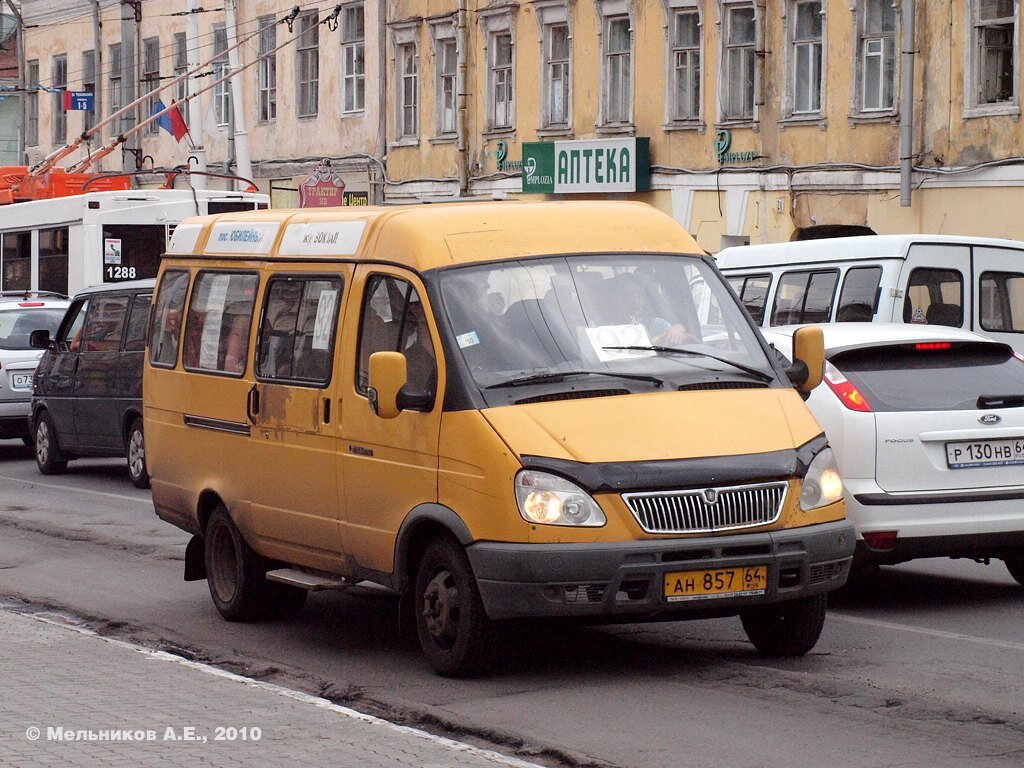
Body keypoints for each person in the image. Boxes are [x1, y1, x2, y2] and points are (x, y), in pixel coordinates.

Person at [618, 273, 693, 346]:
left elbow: (679, 348)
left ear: (644, 298)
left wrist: (675, 335)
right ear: (619, 298)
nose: (635, 301)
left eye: (639, 294)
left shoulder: (658, 325)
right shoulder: (608, 326)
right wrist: (657, 340)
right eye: (628, 295)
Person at [402, 299, 437, 394]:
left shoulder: (454, 333)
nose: (413, 307)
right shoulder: (406, 353)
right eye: (411, 304)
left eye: (417, 304)